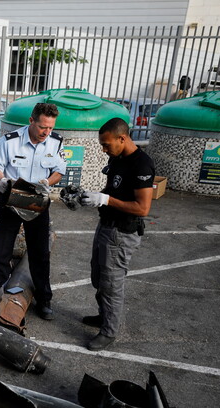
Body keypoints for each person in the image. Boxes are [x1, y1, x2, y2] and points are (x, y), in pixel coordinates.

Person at [0, 102, 66, 320]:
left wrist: (46, 182)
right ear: (31, 121)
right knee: (2, 252)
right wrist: (2, 182)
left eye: (50, 128)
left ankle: (44, 299)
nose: (46, 133)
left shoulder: (55, 142)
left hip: (37, 202)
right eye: (42, 127)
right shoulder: (10, 141)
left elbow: (59, 170)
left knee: (40, 253)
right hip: (11, 201)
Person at [80, 117, 155, 351]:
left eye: (106, 144)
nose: (104, 149)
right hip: (106, 225)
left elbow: (142, 208)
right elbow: (112, 190)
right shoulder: (117, 159)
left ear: (122, 138)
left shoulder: (141, 164)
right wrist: (93, 197)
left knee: (112, 283)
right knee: (99, 276)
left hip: (122, 233)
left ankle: (109, 331)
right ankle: (104, 316)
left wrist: (106, 199)